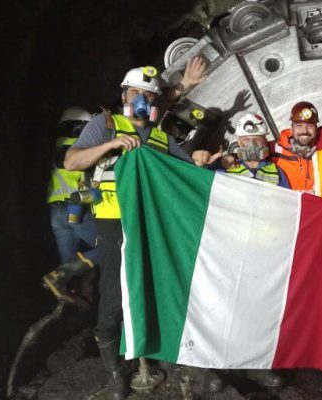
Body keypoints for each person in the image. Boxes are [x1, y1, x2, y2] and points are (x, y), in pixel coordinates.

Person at [64, 58, 209, 399]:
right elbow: (72, 162)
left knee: (156, 290)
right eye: (135, 93)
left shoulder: (159, 137)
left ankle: (158, 353)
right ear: (125, 95)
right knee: (115, 297)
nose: (141, 100)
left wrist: (203, 161)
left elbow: (189, 175)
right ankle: (115, 372)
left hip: (151, 225)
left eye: (148, 95)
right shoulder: (107, 125)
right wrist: (109, 146)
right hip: (114, 223)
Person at [43, 107, 98, 303]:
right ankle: (63, 277)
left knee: (69, 263)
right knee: (108, 247)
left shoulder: (58, 147)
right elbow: (86, 186)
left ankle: (69, 299)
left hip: (56, 212)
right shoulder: (79, 151)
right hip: (74, 209)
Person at [218, 113, 290, 188]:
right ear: (239, 142)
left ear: (265, 141)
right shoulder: (227, 166)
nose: (252, 144)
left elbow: (287, 198)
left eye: (257, 139)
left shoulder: (276, 171)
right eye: (246, 139)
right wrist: (214, 163)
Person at [272, 102, 322, 193]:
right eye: (299, 125)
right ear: (292, 128)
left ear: (316, 128)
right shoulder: (274, 150)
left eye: (310, 125)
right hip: (286, 205)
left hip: (317, 205)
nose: (304, 131)